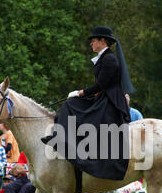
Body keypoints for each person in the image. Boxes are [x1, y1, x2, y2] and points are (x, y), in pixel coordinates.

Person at [41, 26, 133, 182]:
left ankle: (62, 139)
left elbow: (101, 85)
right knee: (73, 104)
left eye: (93, 40)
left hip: (110, 101)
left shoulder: (109, 59)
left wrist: (80, 92)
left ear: (102, 41)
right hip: (104, 96)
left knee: (72, 104)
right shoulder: (105, 58)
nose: (91, 44)